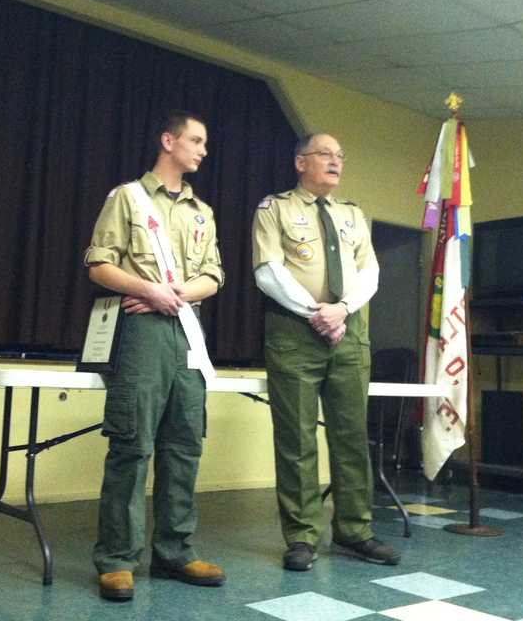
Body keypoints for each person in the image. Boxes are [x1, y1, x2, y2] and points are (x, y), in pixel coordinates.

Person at [84, 110, 225, 600]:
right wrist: (147, 289)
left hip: (187, 331)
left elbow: (215, 275)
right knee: (132, 442)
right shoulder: (128, 197)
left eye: (204, 143)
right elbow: (98, 265)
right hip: (142, 331)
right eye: (195, 140)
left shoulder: (202, 212)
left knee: (184, 443)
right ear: (168, 140)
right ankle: (117, 558)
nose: (203, 150)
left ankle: (174, 552)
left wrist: (178, 293)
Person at [251, 132, 401, 571]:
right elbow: (268, 270)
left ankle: (355, 532)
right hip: (294, 333)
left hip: (348, 332)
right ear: (301, 162)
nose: (336, 161)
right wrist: (316, 312)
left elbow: (370, 272)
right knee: (297, 438)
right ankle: (302, 537)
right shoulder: (275, 208)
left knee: (351, 436)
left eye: (340, 155)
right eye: (325, 154)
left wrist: (342, 310)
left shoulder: (352, 214)